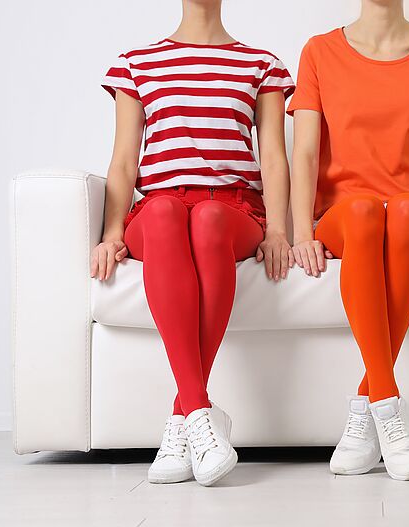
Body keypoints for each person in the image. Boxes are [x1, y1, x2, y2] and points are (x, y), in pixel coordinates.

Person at [92, 0, 294, 486]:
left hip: (233, 209)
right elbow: (123, 161)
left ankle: (183, 422)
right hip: (158, 208)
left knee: (206, 218)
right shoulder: (135, 64)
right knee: (164, 210)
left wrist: (280, 230)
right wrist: (112, 232)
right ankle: (200, 413)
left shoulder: (262, 64)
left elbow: (273, 154)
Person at [288, 0, 409, 480]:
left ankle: (367, 405)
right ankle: (388, 406)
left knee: (408, 209)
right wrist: (297, 231)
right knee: (363, 210)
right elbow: (305, 152)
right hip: (345, 215)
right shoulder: (318, 52)